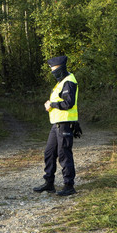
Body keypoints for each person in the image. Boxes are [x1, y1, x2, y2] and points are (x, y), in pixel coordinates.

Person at [32, 55, 80, 196]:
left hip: (64, 124)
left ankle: (69, 185)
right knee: (49, 153)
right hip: (56, 124)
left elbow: (68, 103)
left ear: (60, 68)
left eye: (53, 69)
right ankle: (49, 183)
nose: (52, 71)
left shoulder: (69, 81)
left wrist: (52, 105)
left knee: (64, 154)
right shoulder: (61, 82)